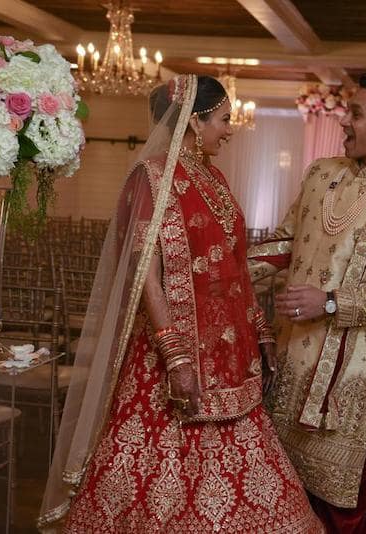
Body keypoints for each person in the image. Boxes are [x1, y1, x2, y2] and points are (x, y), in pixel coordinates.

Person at [38, 74, 323, 533]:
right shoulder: (149, 178)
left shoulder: (214, 176)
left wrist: (260, 330)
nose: (230, 130)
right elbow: (143, 272)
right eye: (224, 120)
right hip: (170, 351)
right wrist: (174, 352)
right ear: (194, 121)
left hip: (228, 351)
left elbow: (232, 264)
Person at [247, 75, 366, 532]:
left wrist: (330, 302)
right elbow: (285, 243)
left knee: (340, 506)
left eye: (355, 114)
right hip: (289, 358)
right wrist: (213, 269)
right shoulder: (321, 173)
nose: (344, 122)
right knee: (276, 488)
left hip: (350, 376)